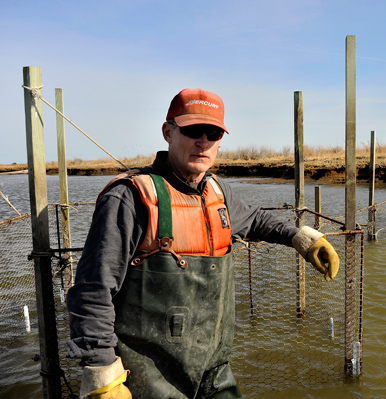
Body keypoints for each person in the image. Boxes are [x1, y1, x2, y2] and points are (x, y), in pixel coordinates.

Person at [66, 88, 340, 399]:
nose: (204, 141)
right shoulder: (130, 197)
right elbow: (92, 291)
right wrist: (103, 372)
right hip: (147, 378)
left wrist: (300, 237)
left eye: (214, 133)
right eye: (194, 130)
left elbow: (255, 220)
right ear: (168, 132)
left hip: (213, 369)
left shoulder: (217, 192)